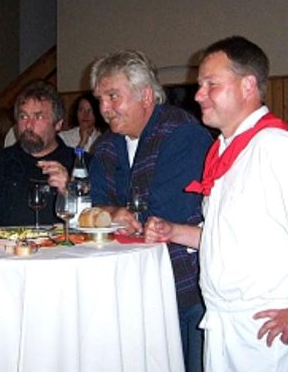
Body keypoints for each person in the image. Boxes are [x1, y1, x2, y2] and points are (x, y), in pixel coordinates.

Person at [144, 36, 288, 371]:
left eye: (211, 84)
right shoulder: (227, 151)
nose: (198, 94)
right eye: (200, 85)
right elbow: (228, 239)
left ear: (247, 86)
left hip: (264, 331)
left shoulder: (276, 149)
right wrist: (173, 231)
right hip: (225, 325)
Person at [88, 49, 213, 372]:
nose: (104, 109)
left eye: (113, 96)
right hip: (131, 290)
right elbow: (91, 207)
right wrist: (112, 213)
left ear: (145, 96)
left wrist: (112, 214)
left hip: (185, 288)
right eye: (100, 99)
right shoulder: (107, 145)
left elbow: (166, 216)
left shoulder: (182, 133)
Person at [0, 80, 74, 227]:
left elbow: (95, 222)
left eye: (39, 117)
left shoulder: (79, 165)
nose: (29, 125)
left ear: (58, 124)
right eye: (23, 116)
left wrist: (71, 191)